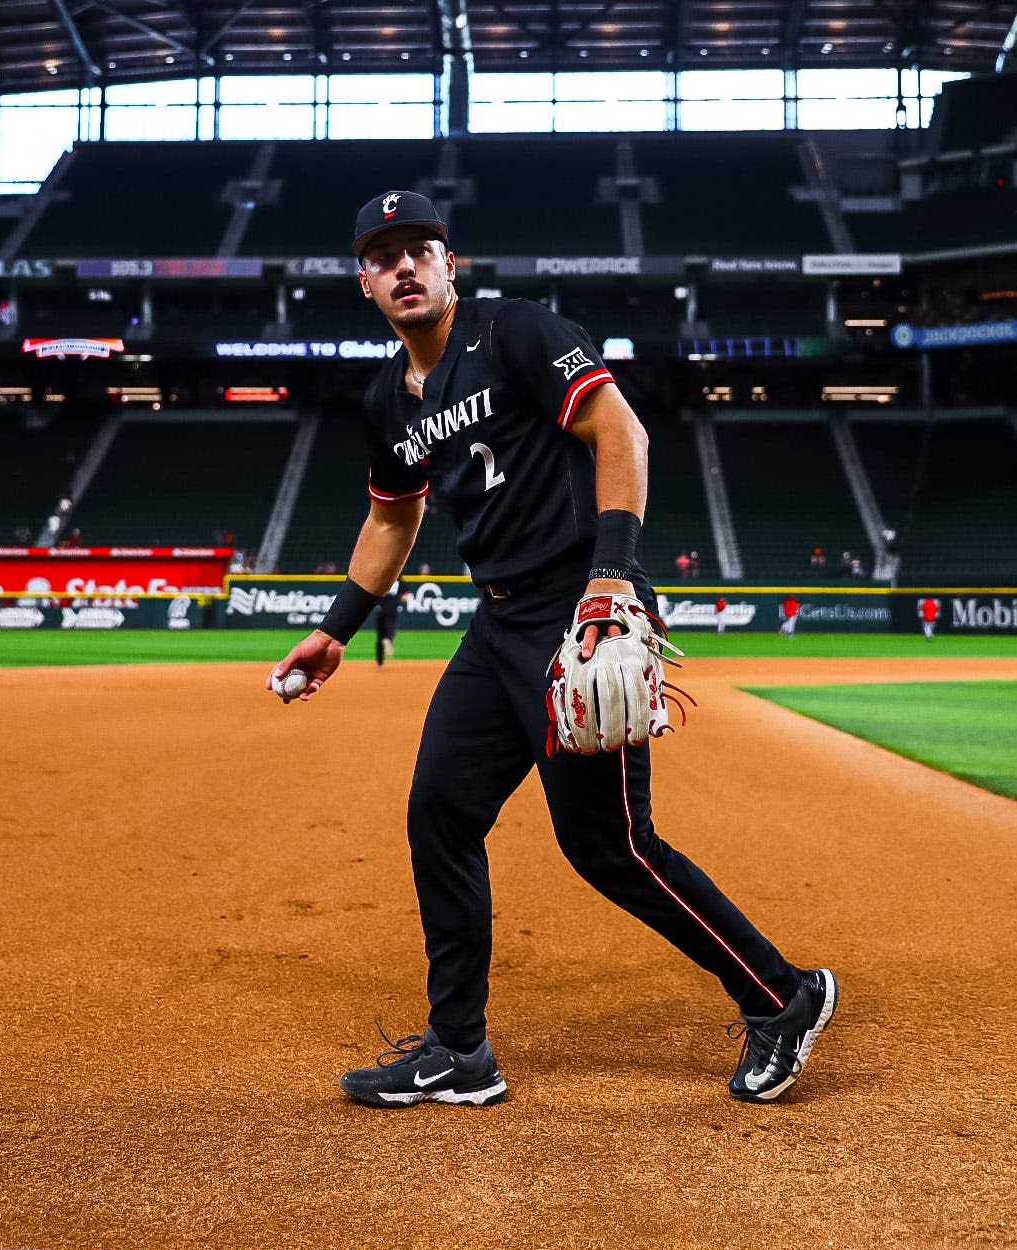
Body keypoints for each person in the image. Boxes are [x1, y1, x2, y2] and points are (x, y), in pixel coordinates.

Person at [267, 189, 837, 1111]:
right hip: (496, 627)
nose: (405, 266)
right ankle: (459, 1050)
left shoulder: (519, 334)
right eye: (384, 256)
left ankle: (783, 995)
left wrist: (612, 581)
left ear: (451, 265)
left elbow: (621, 431)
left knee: (607, 844)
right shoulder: (389, 397)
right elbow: (391, 516)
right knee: (440, 813)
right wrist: (337, 625)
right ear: (364, 282)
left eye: (421, 249)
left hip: (581, 606)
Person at [374, 578, 405, 666]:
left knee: (380, 635)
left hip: (380, 608)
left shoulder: (382, 579)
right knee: (390, 628)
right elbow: (405, 597)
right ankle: (388, 639)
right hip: (392, 608)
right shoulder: (400, 581)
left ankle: (380, 663)